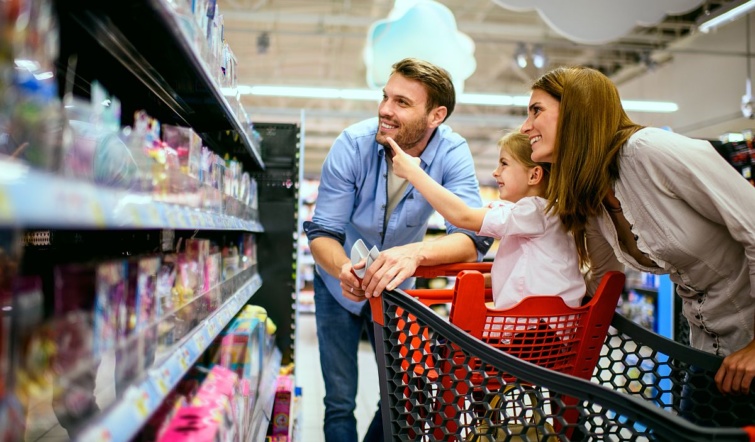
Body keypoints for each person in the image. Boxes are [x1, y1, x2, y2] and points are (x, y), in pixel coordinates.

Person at [519, 66, 755, 400]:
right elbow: (603, 278)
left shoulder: (650, 151)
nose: (525, 126)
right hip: (708, 353)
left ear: (576, 111)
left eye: (536, 111)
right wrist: (529, 312)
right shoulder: (595, 193)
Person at [303, 57, 493, 442]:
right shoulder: (352, 145)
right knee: (339, 400)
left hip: (396, 289)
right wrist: (342, 268)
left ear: (436, 115)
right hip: (336, 284)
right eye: (386, 97)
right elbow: (323, 230)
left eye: (402, 102)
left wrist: (415, 254)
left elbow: (474, 238)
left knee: (404, 394)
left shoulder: (451, 153)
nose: (385, 110)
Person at [388, 131, 585, 309]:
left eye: (504, 163)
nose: (495, 172)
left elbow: (463, 216)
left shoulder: (534, 210)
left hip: (535, 330)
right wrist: (482, 280)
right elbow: (526, 273)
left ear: (534, 175)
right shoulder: (545, 213)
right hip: (548, 326)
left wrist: (413, 173)